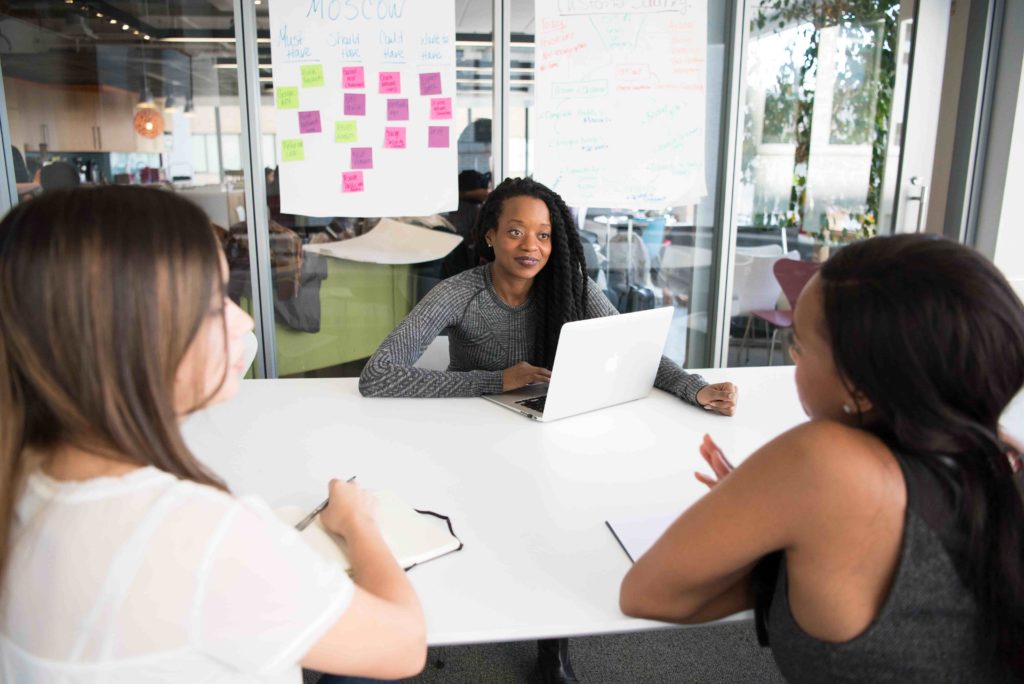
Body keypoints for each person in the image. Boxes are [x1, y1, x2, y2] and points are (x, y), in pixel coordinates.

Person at [0, 187, 426, 682]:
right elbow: (405, 644)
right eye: (212, 305)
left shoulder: (25, 473)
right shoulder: (194, 537)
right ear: (130, 338)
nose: (243, 319)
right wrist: (358, 523)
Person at [359, 176, 738, 683]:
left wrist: (694, 388)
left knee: (559, 519)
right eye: (516, 232)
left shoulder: (570, 287)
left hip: (545, 431)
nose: (531, 246)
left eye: (543, 235)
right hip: (465, 436)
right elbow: (378, 375)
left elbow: (634, 352)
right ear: (490, 235)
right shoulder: (459, 293)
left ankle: (552, 647)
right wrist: (497, 379)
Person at [619, 234, 1024, 681]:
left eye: (801, 347)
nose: (794, 359)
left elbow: (647, 594)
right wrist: (791, 520)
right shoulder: (999, 455)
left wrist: (768, 517)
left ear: (863, 387)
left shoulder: (824, 462)